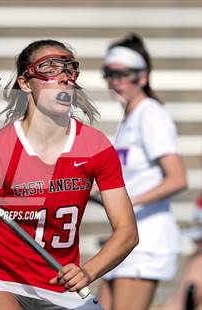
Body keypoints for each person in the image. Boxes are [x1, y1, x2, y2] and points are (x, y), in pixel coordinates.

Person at [0, 39, 138, 310]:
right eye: (50, 69)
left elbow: (128, 232)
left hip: (59, 286)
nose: (64, 78)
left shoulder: (95, 146)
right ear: (26, 83)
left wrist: (88, 271)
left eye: (70, 69)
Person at [97, 33, 188, 310]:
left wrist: (126, 204)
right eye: (109, 74)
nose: (115, 82)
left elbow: (178, 178)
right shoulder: (129, 118)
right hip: (125, 237)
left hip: (146, 240)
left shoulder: (150, 114)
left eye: (123, 74)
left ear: (143, 77)